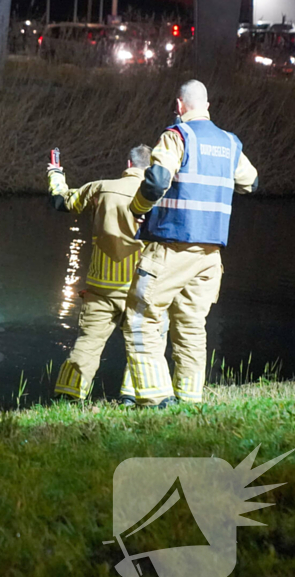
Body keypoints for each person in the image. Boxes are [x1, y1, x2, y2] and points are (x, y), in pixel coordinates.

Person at [122, 80, 259, 406]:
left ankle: (155, 398)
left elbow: (156, 180)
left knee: (141, 319)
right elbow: (251, 183)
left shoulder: (177, 136)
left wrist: (137, 208)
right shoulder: (230, 143)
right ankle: (189, 398)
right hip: (210, 255)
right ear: (207, 105)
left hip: (172, 247)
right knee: (192, 327)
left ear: (180, 105)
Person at [47, 145, 155, 405]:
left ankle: (69, 394)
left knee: (88, 342)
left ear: (128, 163)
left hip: (101, 285)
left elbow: (61, 201)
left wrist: (55, 173)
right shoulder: (158, 194)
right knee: (142, 344)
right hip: (141, 285)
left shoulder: (100, 187)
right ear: (150, 168)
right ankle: (132, 396)